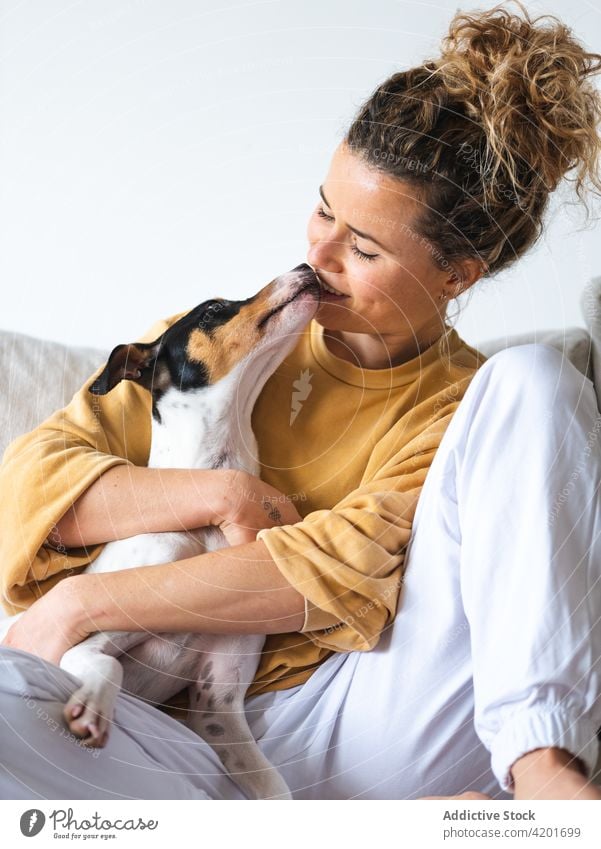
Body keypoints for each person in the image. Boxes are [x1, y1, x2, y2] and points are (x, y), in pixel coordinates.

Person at [1, 1, 600, 800]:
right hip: (147, 729)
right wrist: (224, 493)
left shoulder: (463, 409)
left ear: (456, 275)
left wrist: (83, 600)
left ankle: (546, 781)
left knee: (537, 382)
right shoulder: (209, 343)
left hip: (358, 718)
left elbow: (327, 571)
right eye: (323, 207)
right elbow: (31, 484)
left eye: (362, 246)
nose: (316, 252)